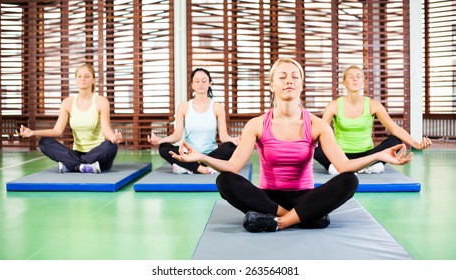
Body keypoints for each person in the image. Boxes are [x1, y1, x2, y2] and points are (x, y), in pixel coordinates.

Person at [169, 58, 412, 233]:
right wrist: (201, 156)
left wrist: (380, 155)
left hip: (304, 195)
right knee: (224, 180)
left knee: (349, 180)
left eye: (295, 76)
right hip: (267, 197)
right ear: (271, 85)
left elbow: (344, 165)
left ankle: (278, 222)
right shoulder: (256, 124)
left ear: (301, 85)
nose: (289, 81)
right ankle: (303, 218)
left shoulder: (317, 125)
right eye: (282, 76)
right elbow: (233, 166)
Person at [314, 65, 432, 175]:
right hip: (340, 155)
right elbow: (321, 132)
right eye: (350, 77)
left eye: (358, 76)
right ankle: (356, 166)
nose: (355, 79)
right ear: (344, 82)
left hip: (368, 155)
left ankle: (352, 167)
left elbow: (394, 128)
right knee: (313, 144)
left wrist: (416, 145)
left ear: (362, 82)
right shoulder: (333, 105)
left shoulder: (373, 104)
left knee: (396, 139)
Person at [19, 63, 123, 173]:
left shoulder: (101, 101)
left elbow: (106, 130)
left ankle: (72, 165)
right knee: (44, 142)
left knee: (111, 146)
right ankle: (82, 167)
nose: (83, 79)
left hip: (97, 154)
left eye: (87, 76)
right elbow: (57, 131)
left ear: (93, 80)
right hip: (77, 152)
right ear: (76, 79)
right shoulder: (67, 103)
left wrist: (114, 138)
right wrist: (33, 132)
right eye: (79, 76)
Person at [147, 68, 240, 174]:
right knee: (164, 148)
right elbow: (177, 135)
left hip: (211, 155)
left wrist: (234, 140)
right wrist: (161, 140)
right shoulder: (184, 107)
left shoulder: (217, 107)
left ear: (210, 83)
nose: (200, 84)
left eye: (204, 81)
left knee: (230, 147)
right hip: (189, 153)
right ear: (192, 85)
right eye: (197, 81)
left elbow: (224, 137)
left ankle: (189, 167)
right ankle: (202, 169)